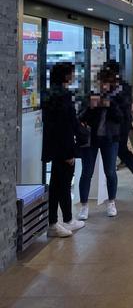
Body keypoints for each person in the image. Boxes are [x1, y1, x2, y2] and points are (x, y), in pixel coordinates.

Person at [41, 62, 85, 237]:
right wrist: (69, 152)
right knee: (61, 185)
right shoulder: (63, 96)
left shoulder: (49, 93)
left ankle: (66, 219)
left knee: (59, 184)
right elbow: (65, 126)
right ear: (66, 75)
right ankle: (55, 223)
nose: (73, 76)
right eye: (71, 73)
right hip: (63, 147)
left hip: (53, 147)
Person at [78, 68, 123, 219]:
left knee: (110, 171)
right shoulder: (90, 95)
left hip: (110, 139)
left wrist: (110, 105)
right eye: (102, 82)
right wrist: (91, 107)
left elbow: (121, 118)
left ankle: (111, 202)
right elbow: (80, 117)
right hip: (90, 139)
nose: (104, 86)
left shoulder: (117, 97)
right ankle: (84, 206)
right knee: (87, 172)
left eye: (107, 83)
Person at [105, 61, 133, 190]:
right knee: (122, 150)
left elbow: (118, 105)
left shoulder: (118, 87)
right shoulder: (123, 85)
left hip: (119, 125)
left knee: (118, 150)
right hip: (122, 123)